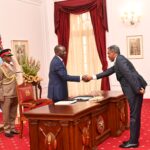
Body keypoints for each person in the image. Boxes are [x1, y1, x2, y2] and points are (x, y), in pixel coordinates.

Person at [83, 45, 147, 148]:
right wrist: (93, 77)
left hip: (134, 91)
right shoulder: (118, 61)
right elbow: (108, 72)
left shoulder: (120, 61)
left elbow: (129, 75)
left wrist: (138, 88)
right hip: (134, 90)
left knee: (134, 116)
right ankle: (133, 140)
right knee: (134, 116)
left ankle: (133, 142)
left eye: (108, 53)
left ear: (114, 53)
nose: (107, 55)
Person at [0, 49, 20, 138]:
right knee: (6, 113)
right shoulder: (1, 68)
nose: (10, 57)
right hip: (6, 93)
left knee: (13, 111)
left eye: (10, 56)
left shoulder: (12, 66)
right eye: (8, 56)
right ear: (3, 57)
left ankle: (12, 128)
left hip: (14, 92)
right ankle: (7, 130)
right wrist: (1, 95)